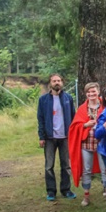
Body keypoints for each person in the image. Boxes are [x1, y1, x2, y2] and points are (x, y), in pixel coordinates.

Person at [38, 73, 76, 201]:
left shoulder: (68, 98)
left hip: (65, 137)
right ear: (50, 83)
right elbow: (40, 119)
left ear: (62, 82)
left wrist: (73, 135)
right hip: (49, 137)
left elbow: (73, 116)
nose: (57, 83)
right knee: (49, 165)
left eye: (59, 80)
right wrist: (41, 136)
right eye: (54, 81)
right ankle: (51, 191)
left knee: (66, 165)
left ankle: (66, 190)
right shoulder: (43, 100)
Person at [68, 82, 106, 206]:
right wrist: (85, 125)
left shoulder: (105, 105)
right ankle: (86, 195)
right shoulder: (82, 108)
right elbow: (74, 126)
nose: (91, 94)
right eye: (88, 92)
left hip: (102, 143)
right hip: (87, 144)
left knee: (104, 169)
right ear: (86, 94)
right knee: (86, 170)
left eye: (93, 91)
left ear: (98, 92)